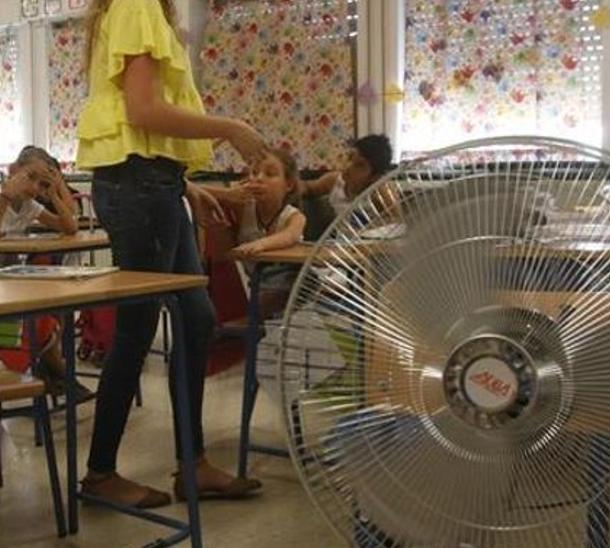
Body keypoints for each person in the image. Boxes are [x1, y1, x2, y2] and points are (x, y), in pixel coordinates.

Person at [75, 0, 266, 508]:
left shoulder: (138, 10)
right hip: (138, 185)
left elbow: (138, 125)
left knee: (197, 318)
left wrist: (181, 183)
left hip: (153, 183)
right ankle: (100, 474)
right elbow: (143, 111)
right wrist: (230, 128)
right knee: (137, 327)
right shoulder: (137, 5)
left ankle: (193, 464)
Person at [0, 145, 91, 399]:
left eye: (41, 183)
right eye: (30, 177)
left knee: (58, 302)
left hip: (11, 279)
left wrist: (55, 192)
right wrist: (5, 196)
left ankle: (52, 376)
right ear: (13, 171)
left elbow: (69, 227)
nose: (34, 187)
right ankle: (60, 377)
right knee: (44, 311)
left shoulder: (29, 205)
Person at [224, 149, 306, 319]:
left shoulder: (294, 216)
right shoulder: (243, 210)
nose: (258, 178)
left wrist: (260, 244)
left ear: (289, 184)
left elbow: (290, 236)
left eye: (270, 174)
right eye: (254, 173)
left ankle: (251, 321)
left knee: (286, 281)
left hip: (289, 279)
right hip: (255, 281)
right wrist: (232, 194)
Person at [301, 134, 393, 240]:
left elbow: (396, 221)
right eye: (350, 158)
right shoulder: (334, 181)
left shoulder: (380, 191)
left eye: (359, 165)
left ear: (375, 177)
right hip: (339, 248)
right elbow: (309, 187)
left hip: (371, 250)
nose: (349, 166)